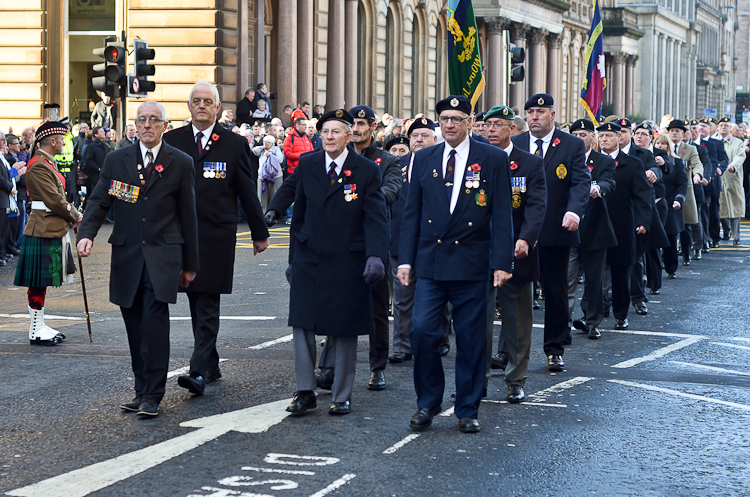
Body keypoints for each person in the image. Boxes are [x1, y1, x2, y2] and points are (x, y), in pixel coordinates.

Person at [398, 95, 514, 433]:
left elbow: (503, 214)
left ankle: (466, 408)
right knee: (421, 332)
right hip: (431, 262)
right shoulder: (423, 158)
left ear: (469, 120)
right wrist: (405, 259)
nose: (450, 124)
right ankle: (428, 402)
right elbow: (412, 215)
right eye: (445, 118)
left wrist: (502, 262)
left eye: (457, 118)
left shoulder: (490, 158)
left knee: (471, 338)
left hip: (472, 261)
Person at [77, 101, 200, 417]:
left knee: (154, 325)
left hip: (163, 257)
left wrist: (190, 265)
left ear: (164, 125)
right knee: (134, 326)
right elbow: (99, 200)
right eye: (142, 120)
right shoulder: (117, 160)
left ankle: (153, 395)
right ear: (135, 124)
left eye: (153, 120)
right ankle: (140, 389)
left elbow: (189, 217)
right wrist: (86, 234)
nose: (147, 125)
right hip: (128, 256)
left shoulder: (181, 162)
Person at [162, 81, 270, 396]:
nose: (201, 106)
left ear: (218, 107)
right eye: (196, 101)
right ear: (188, 106)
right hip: (179, 235)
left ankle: (197, 372)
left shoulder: (234, 144)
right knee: (196, 300)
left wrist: (259, 232)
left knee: (207, 299)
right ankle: (211, 362)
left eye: (207, 101)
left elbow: (247, 191)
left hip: (215, 237)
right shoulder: (172, 140)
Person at [285, 109, 388, 416]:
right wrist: (293, 258)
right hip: (309, 257)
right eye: (324, 132)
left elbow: (375, 218)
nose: (328, 137)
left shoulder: (367, 170)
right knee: (302, 324)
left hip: (347, 260)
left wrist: (375, 256)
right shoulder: (308, 163)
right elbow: (299, 214)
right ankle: (305, 391)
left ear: (348, 136)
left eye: (335, 132)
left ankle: (341, 395)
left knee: (343, 328)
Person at [510, 93, 589, 371]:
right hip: (519, 231)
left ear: (552, 115)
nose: (534, 117)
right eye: (530, 111)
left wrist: (573, 211)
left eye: (540, 112)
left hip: (556, 228)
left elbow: (580, 182)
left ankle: (554, 349)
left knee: (555, 292)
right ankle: (508, 349)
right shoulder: (516, 143)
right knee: (514, 289)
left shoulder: (571, 145)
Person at [484, 105, 546, 403]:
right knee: (476, 320)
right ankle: (476, 378)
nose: (492, 129)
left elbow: (536, 206)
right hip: (479, 250)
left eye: (498, 124)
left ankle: (515, 378)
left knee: (517, 320)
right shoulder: (476, 158)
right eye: (488, 124)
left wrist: (526, 239)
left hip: (516, 251)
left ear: (512, 128)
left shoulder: (529, 163)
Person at [14, 121, 82, 344]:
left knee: (42, 282)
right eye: (62, 139)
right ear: (52, 142)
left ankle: (39, 325)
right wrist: (75, 215)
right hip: (43, 227)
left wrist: (71, 214)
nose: (64, 142)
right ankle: (35, 329)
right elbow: (54, 200)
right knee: (38, 282)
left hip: (49, 225)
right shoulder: (39, 165)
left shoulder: (47, 162)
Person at [598, 121, 651, 330]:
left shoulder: (633, 163)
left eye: (608, 136)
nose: (604, 140)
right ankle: (593, 314)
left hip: (622, 224)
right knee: (595, 272)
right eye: (601, 136)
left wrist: (642, 221)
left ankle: (621, 314)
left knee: (621, 273)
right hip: (596, 224)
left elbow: (643, 196)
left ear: (619, 138)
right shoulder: (591, 162)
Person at [568, 118, 616, 340]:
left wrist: (598, 188)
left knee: (594, 280)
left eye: (583, 135)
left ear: (592, 138)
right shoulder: (563, 158)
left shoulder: (603, 161)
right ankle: (564, 322)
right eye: (575, 136)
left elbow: (609, 182)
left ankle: (592, 321)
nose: (579, 140)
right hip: (568, 229)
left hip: (594, 227)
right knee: (566, 279)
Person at [668, 119, 704, 265]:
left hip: (685, 190)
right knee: (668, 225)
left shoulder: (689, 149)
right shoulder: (664, 147)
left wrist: (698, 175)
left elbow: (697, 164)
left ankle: (687, 254)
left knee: (686, 225)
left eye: (677, 131)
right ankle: (668, 257)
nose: (674, 133)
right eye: (672, 131)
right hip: (668, 189)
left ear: (683, 133)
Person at [654, 134, 688, 279]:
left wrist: (679, 200)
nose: (660, 146)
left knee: (670, 237)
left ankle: (671, 268)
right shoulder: (649, 161)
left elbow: (682, 183)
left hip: (670, 202)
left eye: (663, 144)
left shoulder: (677, 162)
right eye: (657, 144)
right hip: (653, 202)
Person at [717, 117, 747, 245]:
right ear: (718, 128)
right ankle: (724, 232)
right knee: (719, 207)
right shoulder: (713, 141)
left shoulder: (737, 142)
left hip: (732, 178)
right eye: (721, 125)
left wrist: (733, 166)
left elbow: (740, 156)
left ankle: (736, 236)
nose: (723, 127)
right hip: (717, 178)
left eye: (726, 125)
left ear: (730, 129)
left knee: (735, 207)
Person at [253, 134, 285, 211]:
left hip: (275, 176)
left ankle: (272, 214)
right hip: (262, 176)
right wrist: (263, 147)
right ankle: (262, 215)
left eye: (267, 142)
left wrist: (270, 155)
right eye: (264, 141)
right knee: (262, 197)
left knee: (274, 196)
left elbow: (280, 159)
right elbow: (254, 151)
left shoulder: (276, 149)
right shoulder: (262, 149)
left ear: (272, 143)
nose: (265, 143)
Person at [84, 126, 109, 207]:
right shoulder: (92, 146)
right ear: (96, 135)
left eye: (103, 131)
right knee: (94, 197)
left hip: (104, 176)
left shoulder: (105, 145)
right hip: (95, 177)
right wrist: (98, 169)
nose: (104, 133)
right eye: (101, 132)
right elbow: (89, 161)